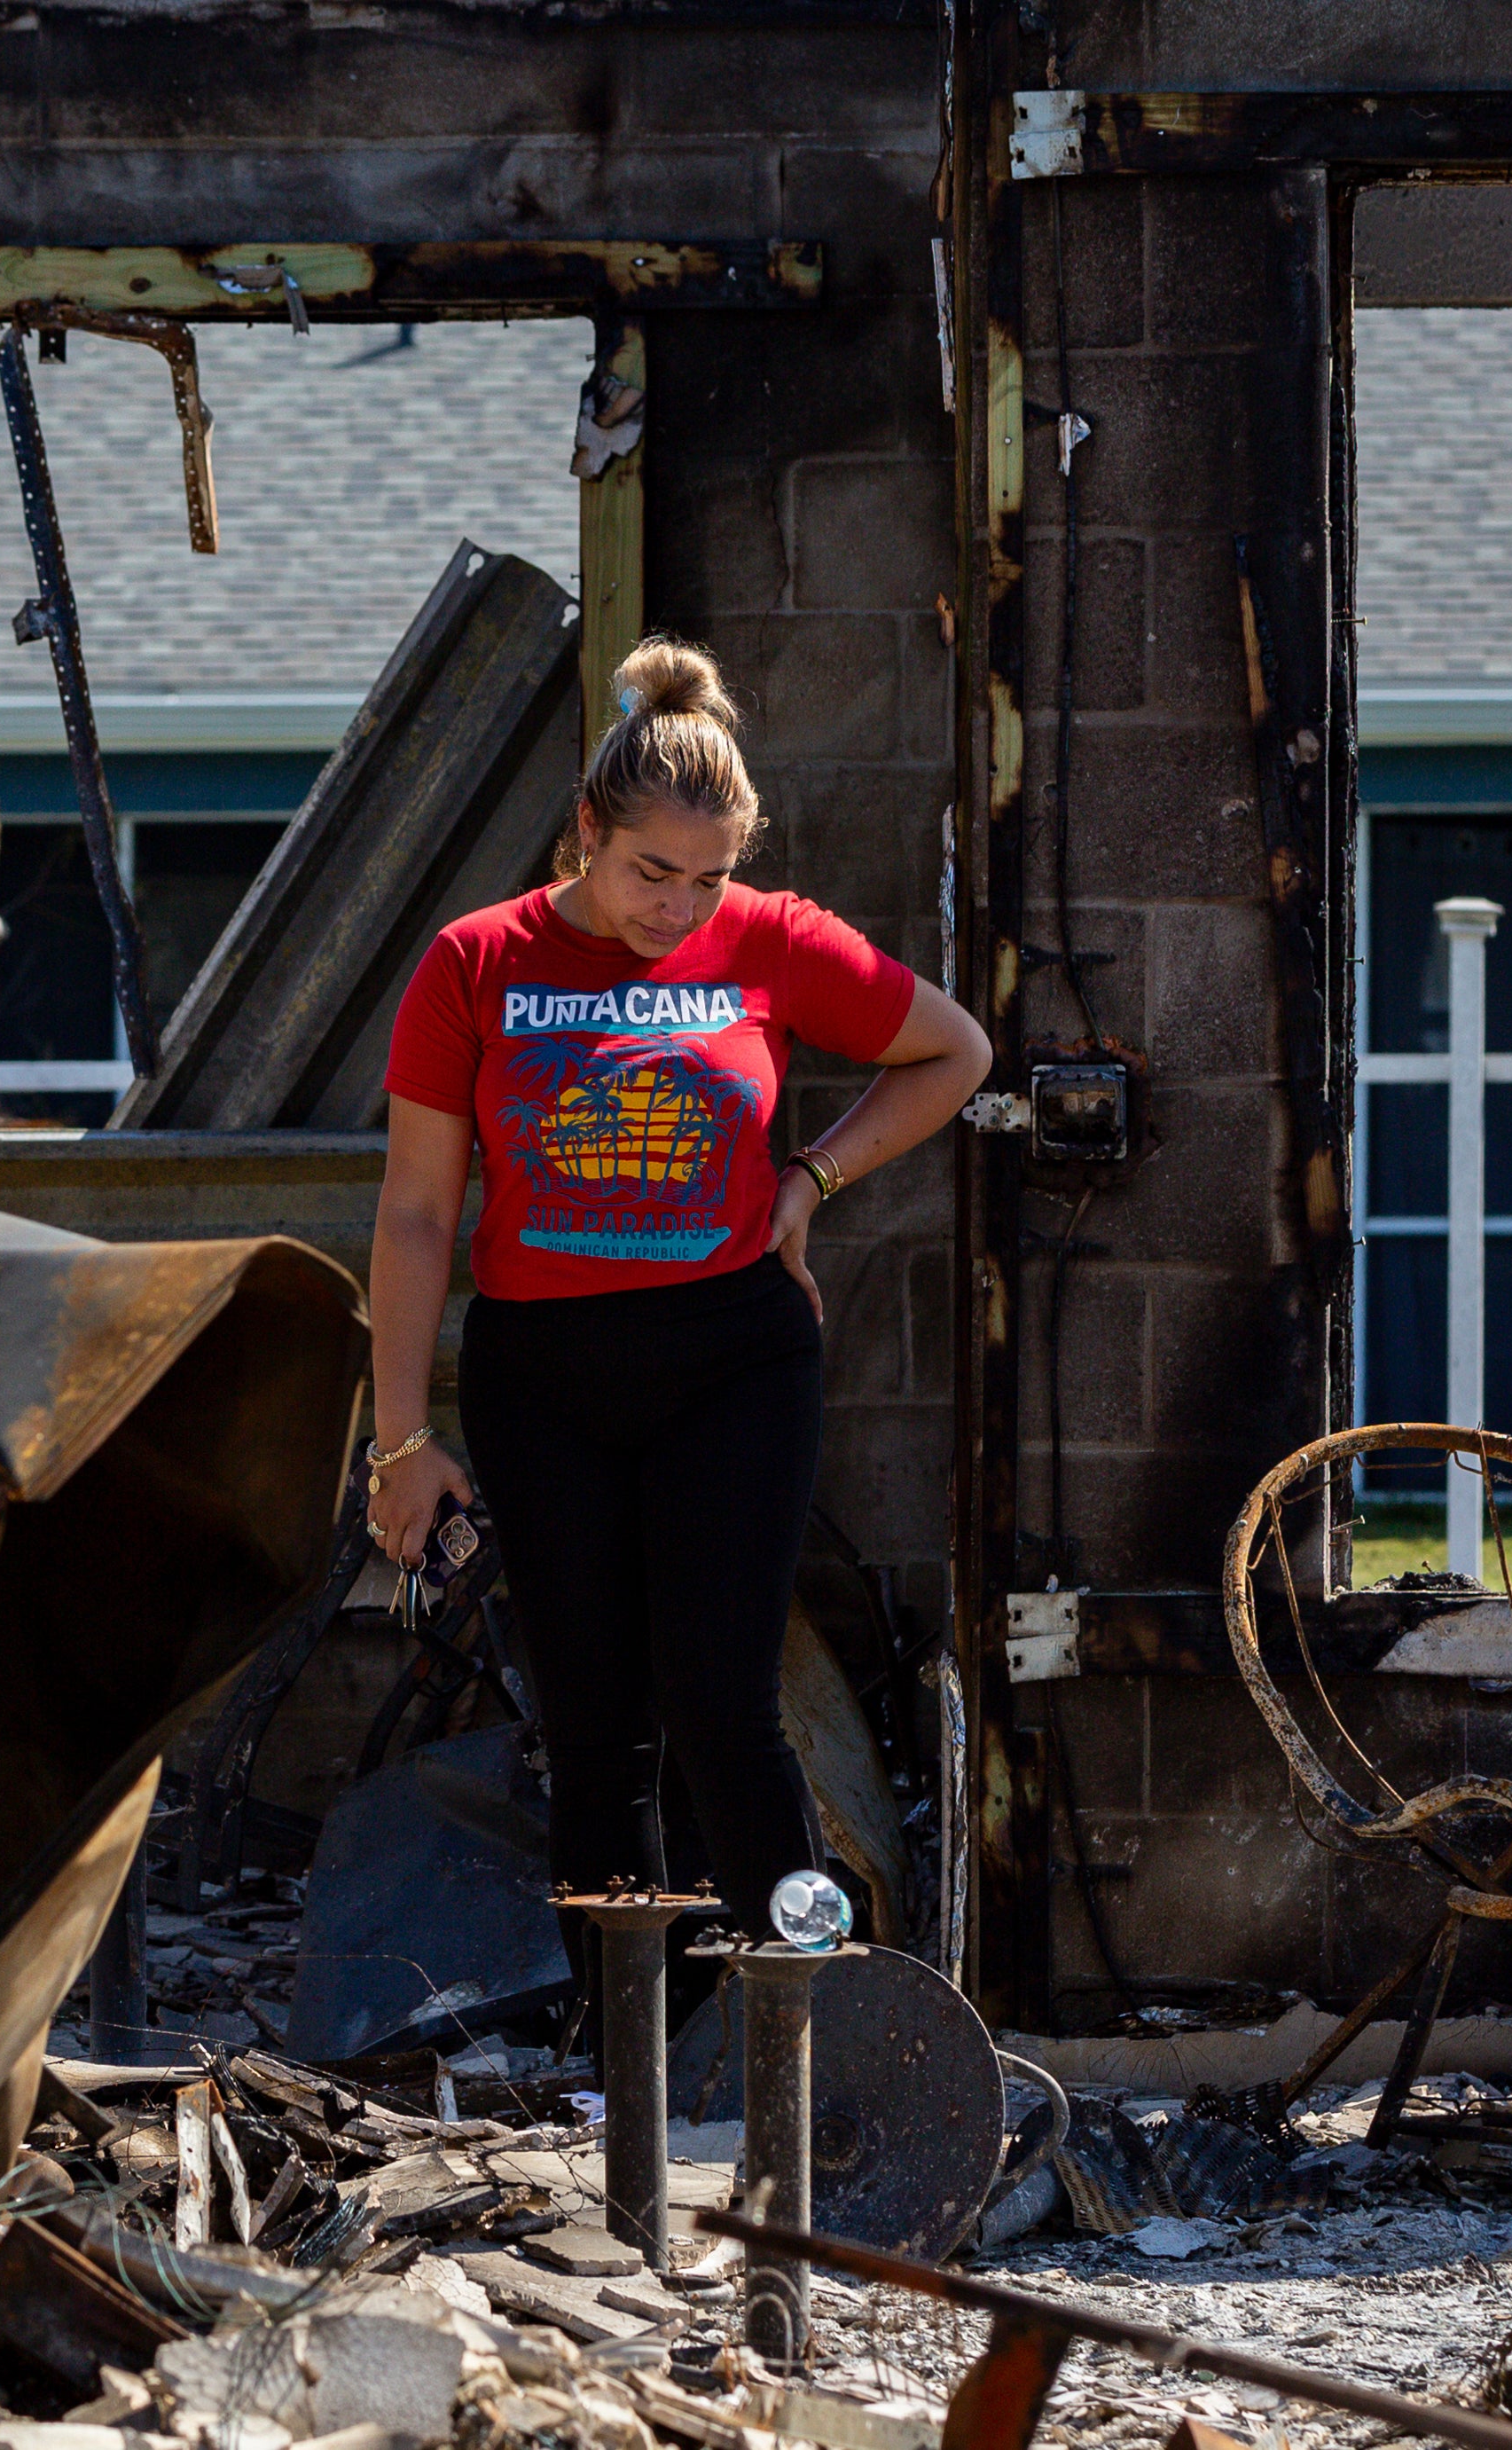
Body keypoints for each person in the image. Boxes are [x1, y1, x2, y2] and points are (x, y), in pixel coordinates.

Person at [364, 637, 991, 1940]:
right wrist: (401, 1442)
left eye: (707, 878)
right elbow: (419, 1213)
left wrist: (811, 1176)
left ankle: (798, 2028)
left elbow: (955, 1051)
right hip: (543, 1374)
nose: (678, 906)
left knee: (723, 1701)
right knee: (593, 1724)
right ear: (585, 830)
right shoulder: (475, 962)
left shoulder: (766, 940)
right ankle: (623, 2076)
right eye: (652, 871)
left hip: (732, 1360)